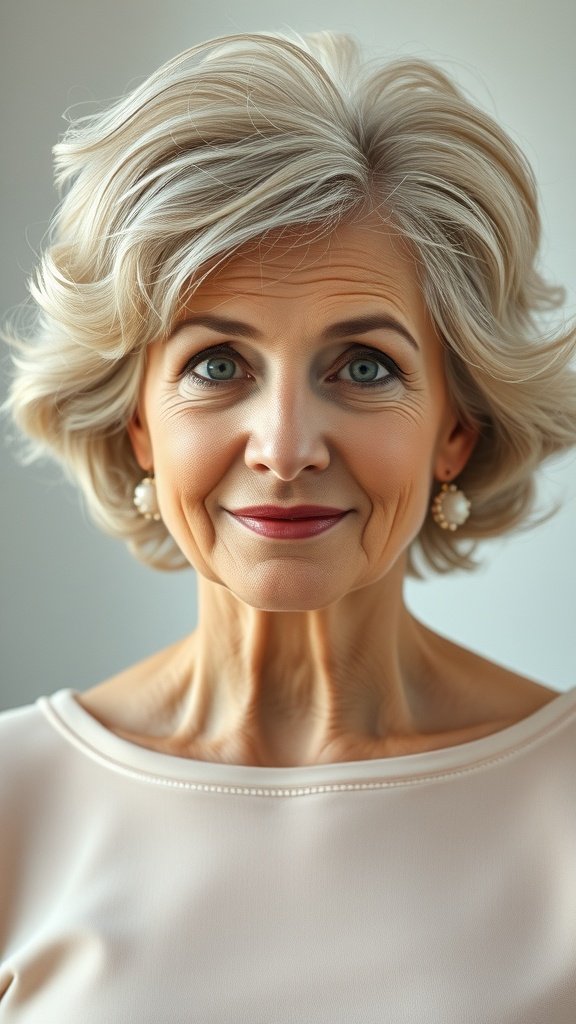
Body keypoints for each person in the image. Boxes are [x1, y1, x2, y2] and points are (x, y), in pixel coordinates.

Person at [1, 29, 575, 1022]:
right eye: (218, 365)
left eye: (364, 367)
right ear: (138, 424)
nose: (285, 445)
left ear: (455, 430)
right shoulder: (15, 802)